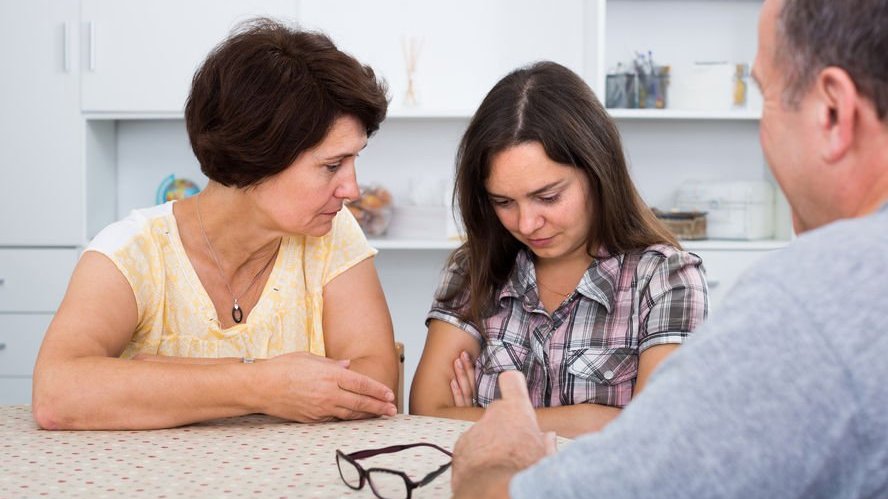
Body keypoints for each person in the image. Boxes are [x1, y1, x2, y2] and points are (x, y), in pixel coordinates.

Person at [451, 0, 888, 496]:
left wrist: (490, 463)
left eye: (763, 94)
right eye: (506, 201)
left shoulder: (812, 300)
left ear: (833, 109)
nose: (528, 222)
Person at [32, 19, 399, 430]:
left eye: (353, 161)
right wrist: (263, 385)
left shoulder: (333, 234)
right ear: (254, 156)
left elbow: (377, 382)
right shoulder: (131, 252)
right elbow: (57, 393)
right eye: (331, 166)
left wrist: (170, 375)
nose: (351, 188)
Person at [410, 61, 708, 438]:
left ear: (598, 170)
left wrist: (476, 419)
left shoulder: (667, 278)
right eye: (504, 202)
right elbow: (424, 414)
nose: (526, 223)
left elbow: (654, 434)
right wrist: (589, 420)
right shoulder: (476, 268)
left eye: (548, 197)